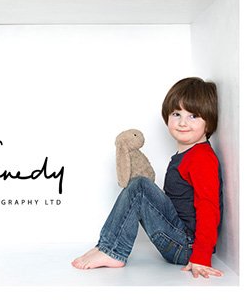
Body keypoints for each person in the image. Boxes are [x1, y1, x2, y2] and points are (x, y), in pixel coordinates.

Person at [72, 77, 223, 279]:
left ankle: (111, 250)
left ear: (209, 120)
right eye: (176, 114)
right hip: (181, 240)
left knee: (141, 186)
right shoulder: (186, 155)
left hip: (188, 248)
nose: (182, 122)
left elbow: (209, 206)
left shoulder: (202, 157)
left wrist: (201, 257)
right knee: (140, 184)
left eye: (193, 116)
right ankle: (106, 246)